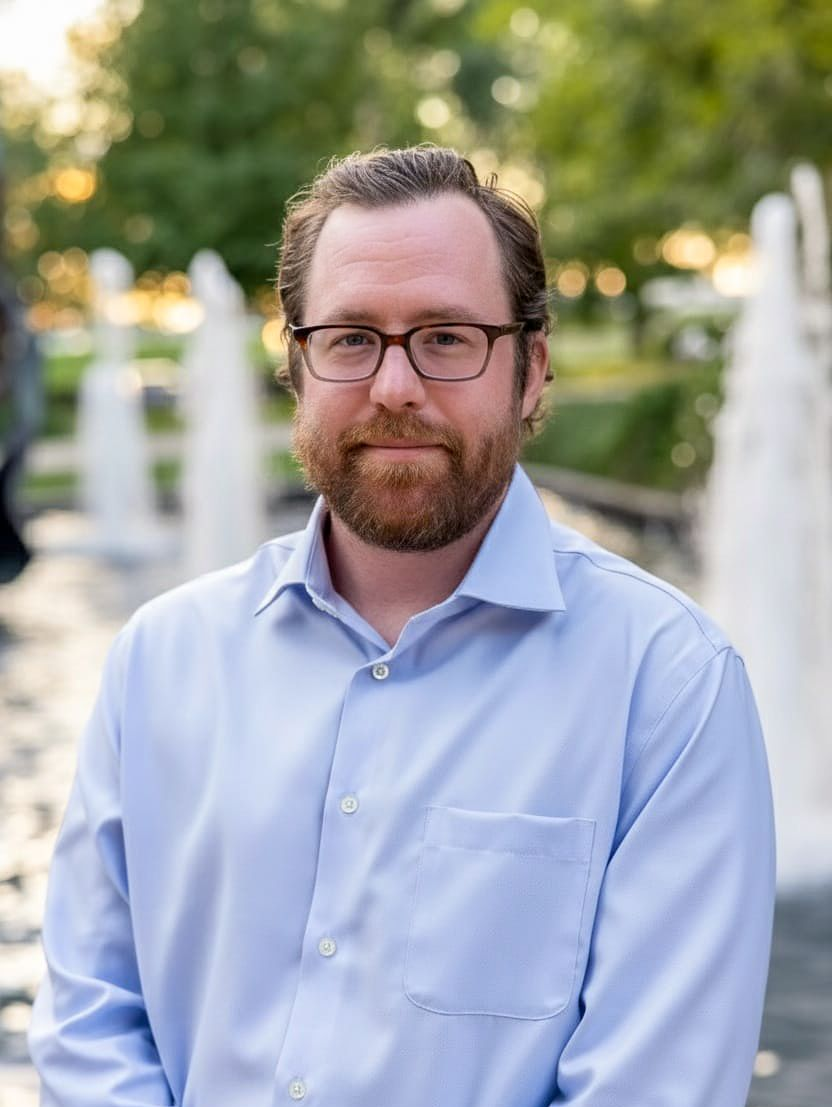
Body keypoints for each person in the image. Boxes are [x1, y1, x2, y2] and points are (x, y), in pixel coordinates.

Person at [29, 145, 775, 1107]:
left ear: (531, 367)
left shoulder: (669, 687)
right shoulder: (160, 661)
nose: (394, 386)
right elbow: (91, 1025)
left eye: (447, 336)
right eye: (350, 338)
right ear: (296, 363)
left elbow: (652, 1087)